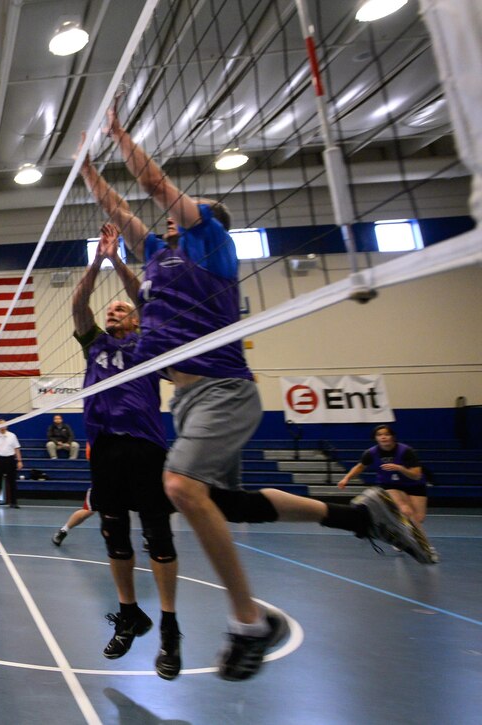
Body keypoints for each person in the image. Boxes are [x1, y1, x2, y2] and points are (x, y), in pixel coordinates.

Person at [82, 120, 437, 681]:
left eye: (185, 210)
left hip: (224, 390)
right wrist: (85, 169)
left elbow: (151, 184)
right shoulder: (155, 257)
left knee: (178, 487)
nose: (174, 215)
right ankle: (356, 516)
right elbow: (122, 208)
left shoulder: (213, 248)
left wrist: (120, 135)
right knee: (222, 504)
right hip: (191, 404)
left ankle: (248, 623)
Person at [70, 235, 182, 679]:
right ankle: (130, 613)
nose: (114, 311)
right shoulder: (94, 343)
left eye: (121, 309)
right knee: (115, 535)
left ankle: (170, 630)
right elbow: (79, 304)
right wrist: (97, 261)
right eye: (110, 309)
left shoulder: (148, 343)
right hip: (106, 448)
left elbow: (143, 297)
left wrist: (117, 257)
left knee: (157, 536)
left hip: (146, 445)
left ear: (136, 320)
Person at [338, 425, 436, 558]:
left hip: (414, 483)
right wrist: (346, 478)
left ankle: (401, 536)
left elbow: (416, 475)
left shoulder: (406, 451)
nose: (383, 437)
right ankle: (425, 547)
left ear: (392, 437)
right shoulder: (371, 453)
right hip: (391, 484)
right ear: (376, 438)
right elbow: (360, 466)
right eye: (379, 435)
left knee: (418, 518)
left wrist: (400, 468)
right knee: (405, 510)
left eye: (386, 434)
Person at [0, 419, 22, 508]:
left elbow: (16, 449)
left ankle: (14, 502)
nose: (2, 426)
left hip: (10, 459)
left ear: (7, 426)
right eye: (0, 425)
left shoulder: (12, 436)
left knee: (12, 482)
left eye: (4, 425)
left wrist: (19, 461)